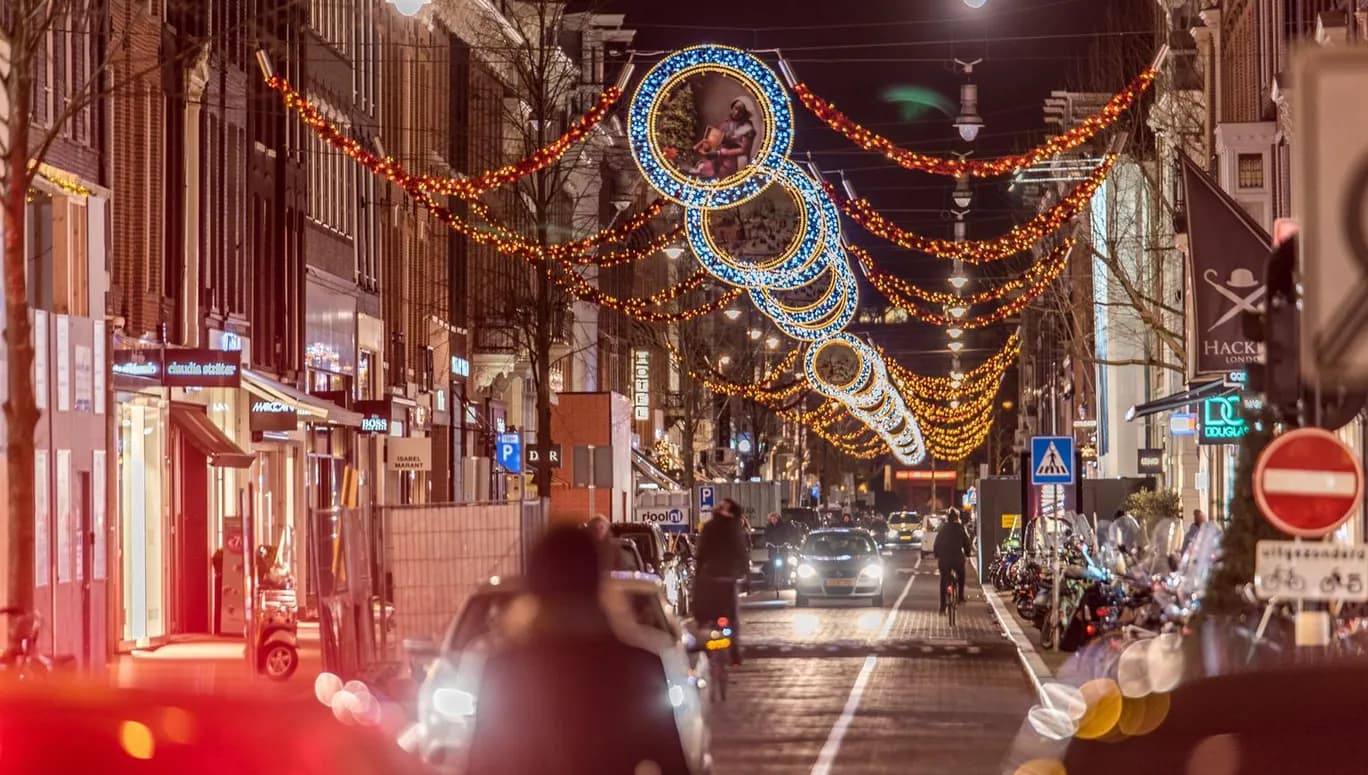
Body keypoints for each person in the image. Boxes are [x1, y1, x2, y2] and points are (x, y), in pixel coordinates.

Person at [465, 527, 689, 775]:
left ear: (535, 584)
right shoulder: (639, 666)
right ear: (599, 579)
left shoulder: (503, 670)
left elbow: (480, 765)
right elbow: (673, 765)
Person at [693, 497, 749, 665]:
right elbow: (741, 553)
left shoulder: (709, 527)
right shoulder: (734, 528)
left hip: (709, 578)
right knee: (731, 617)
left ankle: (704, 647)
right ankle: (734, 652)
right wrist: (746, 577)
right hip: (727, 579)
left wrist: (698, 576)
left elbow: (700, 554)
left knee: (704, 615)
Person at [689, 97, 757, 180]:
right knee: (705, 167)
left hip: (734, 158)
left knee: (723, 173)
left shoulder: (748, 129)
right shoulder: (725, 123)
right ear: (732, 108)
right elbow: (717, 137)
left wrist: (725, 152)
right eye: (735, 109)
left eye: (740, 111)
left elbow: (744, 150)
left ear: (745, 113)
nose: (736, 112)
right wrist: (707, 145)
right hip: (719, 154)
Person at [933, 508, 974, 612]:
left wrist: (937, 554)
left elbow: (937, 543)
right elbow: (966, 542)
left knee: (943, 580)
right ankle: (960, 596)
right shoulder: (960, 528)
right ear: (957, 518)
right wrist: (968, 553)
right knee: (961, 574)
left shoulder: (943, 528)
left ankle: (942, 606)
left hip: (944, 559)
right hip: (957, 558)